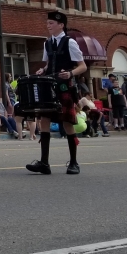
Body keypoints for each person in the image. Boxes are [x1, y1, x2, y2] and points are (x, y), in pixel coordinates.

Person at [25, 11, 87, 175]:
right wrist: (42, 70)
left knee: (67, 122)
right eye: (47, 23)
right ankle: (44, 163)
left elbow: (82, 66)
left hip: (64, 86)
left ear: (61, 25)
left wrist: (71, 73)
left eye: (51, 23)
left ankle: (73, 162)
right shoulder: (47, 43)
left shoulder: (70, 42)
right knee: (44, 120)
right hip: (49, 85)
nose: (48, 25)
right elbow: (48, 64)